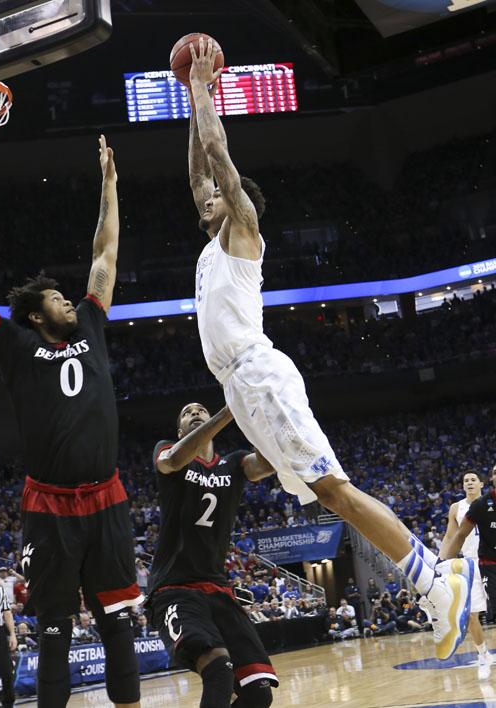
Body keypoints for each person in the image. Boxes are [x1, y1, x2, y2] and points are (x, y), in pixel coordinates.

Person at [186, 35, 471, 662]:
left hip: (259, 375)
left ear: (237, 208)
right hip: (240, 384)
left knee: (336, 491)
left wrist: (206, 90)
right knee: (326, 495)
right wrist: (188, 93)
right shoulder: (210, 247)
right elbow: (198, 168)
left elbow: (216, 155)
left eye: (218, 194)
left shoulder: (242, 236)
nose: (205, 194)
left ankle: (435, 580)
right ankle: (433, 582)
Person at [0, 135, 142, 708]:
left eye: (71, 298)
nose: (71, 302)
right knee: (54, 633)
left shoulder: (91, 322)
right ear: (37, 313)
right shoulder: (13, 342)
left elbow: (105, 255)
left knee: (119, 626)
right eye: (59, 299)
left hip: (108, 498)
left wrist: (110, 187)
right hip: (50, 506)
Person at [149, 402, 278, 708]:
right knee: (218, 667)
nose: (194, 413)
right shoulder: (168, 450)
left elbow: (268, 463)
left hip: (218, 589)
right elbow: (175, 459)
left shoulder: (234, 464)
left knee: (258, 693)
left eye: (200, 410)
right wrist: (228, 412)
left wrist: (264, 415)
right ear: (180, 431)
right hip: (174, 587)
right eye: (186, 413)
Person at [437, 469, 494, 679]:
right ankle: (483, 656)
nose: (469, 482)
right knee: (471, 615)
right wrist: (440, 561)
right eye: (465, 480)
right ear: (463, 486)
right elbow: (450, 537)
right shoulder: (456, 508)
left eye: (473, 480)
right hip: (470, 564)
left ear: (481, 484)